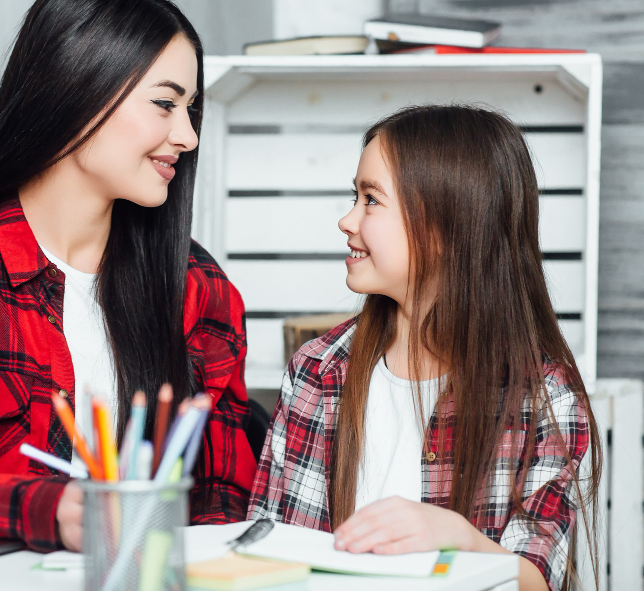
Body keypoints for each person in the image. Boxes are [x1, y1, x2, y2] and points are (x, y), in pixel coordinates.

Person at [0, 0, 255, 553]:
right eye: (165, 104)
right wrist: (56, 513)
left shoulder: (198, 287)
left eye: (190, 109)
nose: (188, 135)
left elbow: (225, 500)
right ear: (79, 89)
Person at [248, 105, 600, 591]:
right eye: (355, 195)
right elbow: (269, 555)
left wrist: (459, 538)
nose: (346, 220)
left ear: (444, 226)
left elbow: (538, 578)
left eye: (371, 199)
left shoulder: (546, 398)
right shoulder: (317, 371)